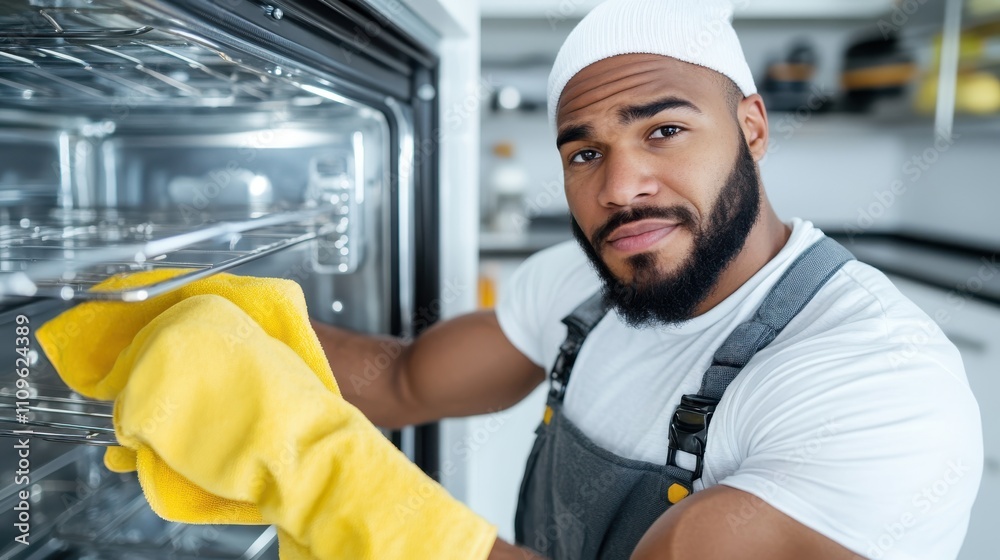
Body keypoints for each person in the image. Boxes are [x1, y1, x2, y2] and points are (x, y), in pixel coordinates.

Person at [311, 0, 983, 558]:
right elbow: (398, 382)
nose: (620, 188)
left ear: (752, 129)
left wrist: (355, 503)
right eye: (586, 152)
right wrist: (226, 319)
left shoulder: (881, 381)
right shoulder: (574, 285)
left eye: (663, 129)